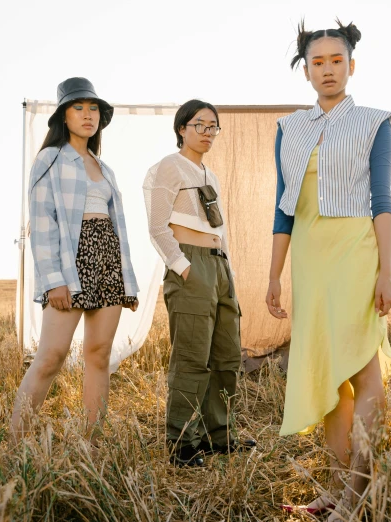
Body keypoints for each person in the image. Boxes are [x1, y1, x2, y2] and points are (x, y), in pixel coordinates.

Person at [265, 21, 391, 519]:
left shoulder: (375, 120)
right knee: (328, 375)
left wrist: (386, 271)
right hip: (308, 257)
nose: (327, 69)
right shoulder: (289, 127)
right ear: (305, 70)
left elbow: (382, 201)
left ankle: (356, 497)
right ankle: (335, 488)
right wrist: (274, 275)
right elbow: (283, 209)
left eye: (336, 60)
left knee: (362, 369)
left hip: (354, 251)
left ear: (352, 65)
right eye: (317, 62)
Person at [11, 77, 139, 439]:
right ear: (63, 117)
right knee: (51, 356)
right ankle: (13, 441)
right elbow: (42, 221)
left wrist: (125, 281)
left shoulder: (105, 168)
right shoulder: (50, 159)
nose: (87, 115)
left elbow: (120, 230)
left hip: (108, 259)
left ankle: (90, 445)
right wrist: (53, 279)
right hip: (71, 260)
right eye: (78, 108)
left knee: (98, 356)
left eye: (93, 108)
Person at [143, 99, 256, 467]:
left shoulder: (211, 175)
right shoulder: (168, 167)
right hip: (191, 265)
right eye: (200, 125)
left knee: (225, 355)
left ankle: (218, 436)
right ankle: (182, 444)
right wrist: (182, 266)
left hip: (219, 267)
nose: (207, 132)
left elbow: (218, 228)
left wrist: (228, 272)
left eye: (213, 127)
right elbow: (158, 227)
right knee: (191, 358)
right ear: (181, 129)